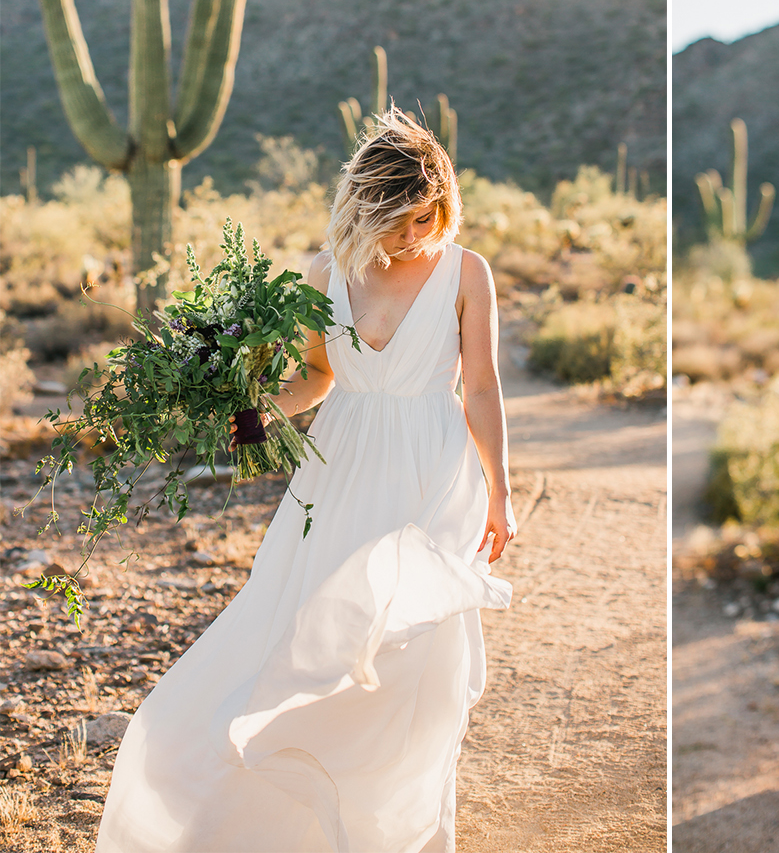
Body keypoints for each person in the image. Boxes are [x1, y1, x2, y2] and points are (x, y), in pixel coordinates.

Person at [97, 107, 518, 853]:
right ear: (365, 207)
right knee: (303, 626)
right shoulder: (324, 273)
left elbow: (480, 389)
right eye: (399, 220)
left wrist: (501, 493)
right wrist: (255, 411)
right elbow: (318, 376)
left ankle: (398, 825)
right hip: (343, 470)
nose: (415, 234)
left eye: (427, 216)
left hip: (432, 470)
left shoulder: (467, 273)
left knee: (414, 651)